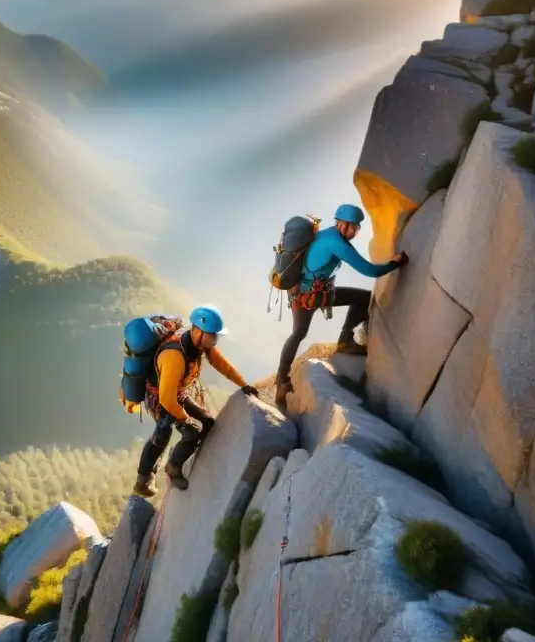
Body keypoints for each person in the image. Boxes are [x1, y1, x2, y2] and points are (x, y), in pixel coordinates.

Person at [274, 204, 408, 407]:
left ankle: (281, 380)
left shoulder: (329, 235)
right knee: (363, 299)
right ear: (340, 223)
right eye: (350, 226)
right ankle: (345, 339)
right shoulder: (336, 243)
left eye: (356, 227)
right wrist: (395, 263)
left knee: (298, 333)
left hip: (300, 294)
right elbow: (370, 271)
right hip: (314, 296)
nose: (354, 231)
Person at [133, 305, 259, 498]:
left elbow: (222, 366)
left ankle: (188, 453)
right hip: (161, 400)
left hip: (179, 394)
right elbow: (167, 399)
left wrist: (243, 384)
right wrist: (186, 419)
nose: (215, 339)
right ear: (198, 331)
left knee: (207, 421)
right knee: (168, 434)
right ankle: (161, 473)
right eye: (213, 335)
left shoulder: (199, 345)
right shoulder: (174, 356)